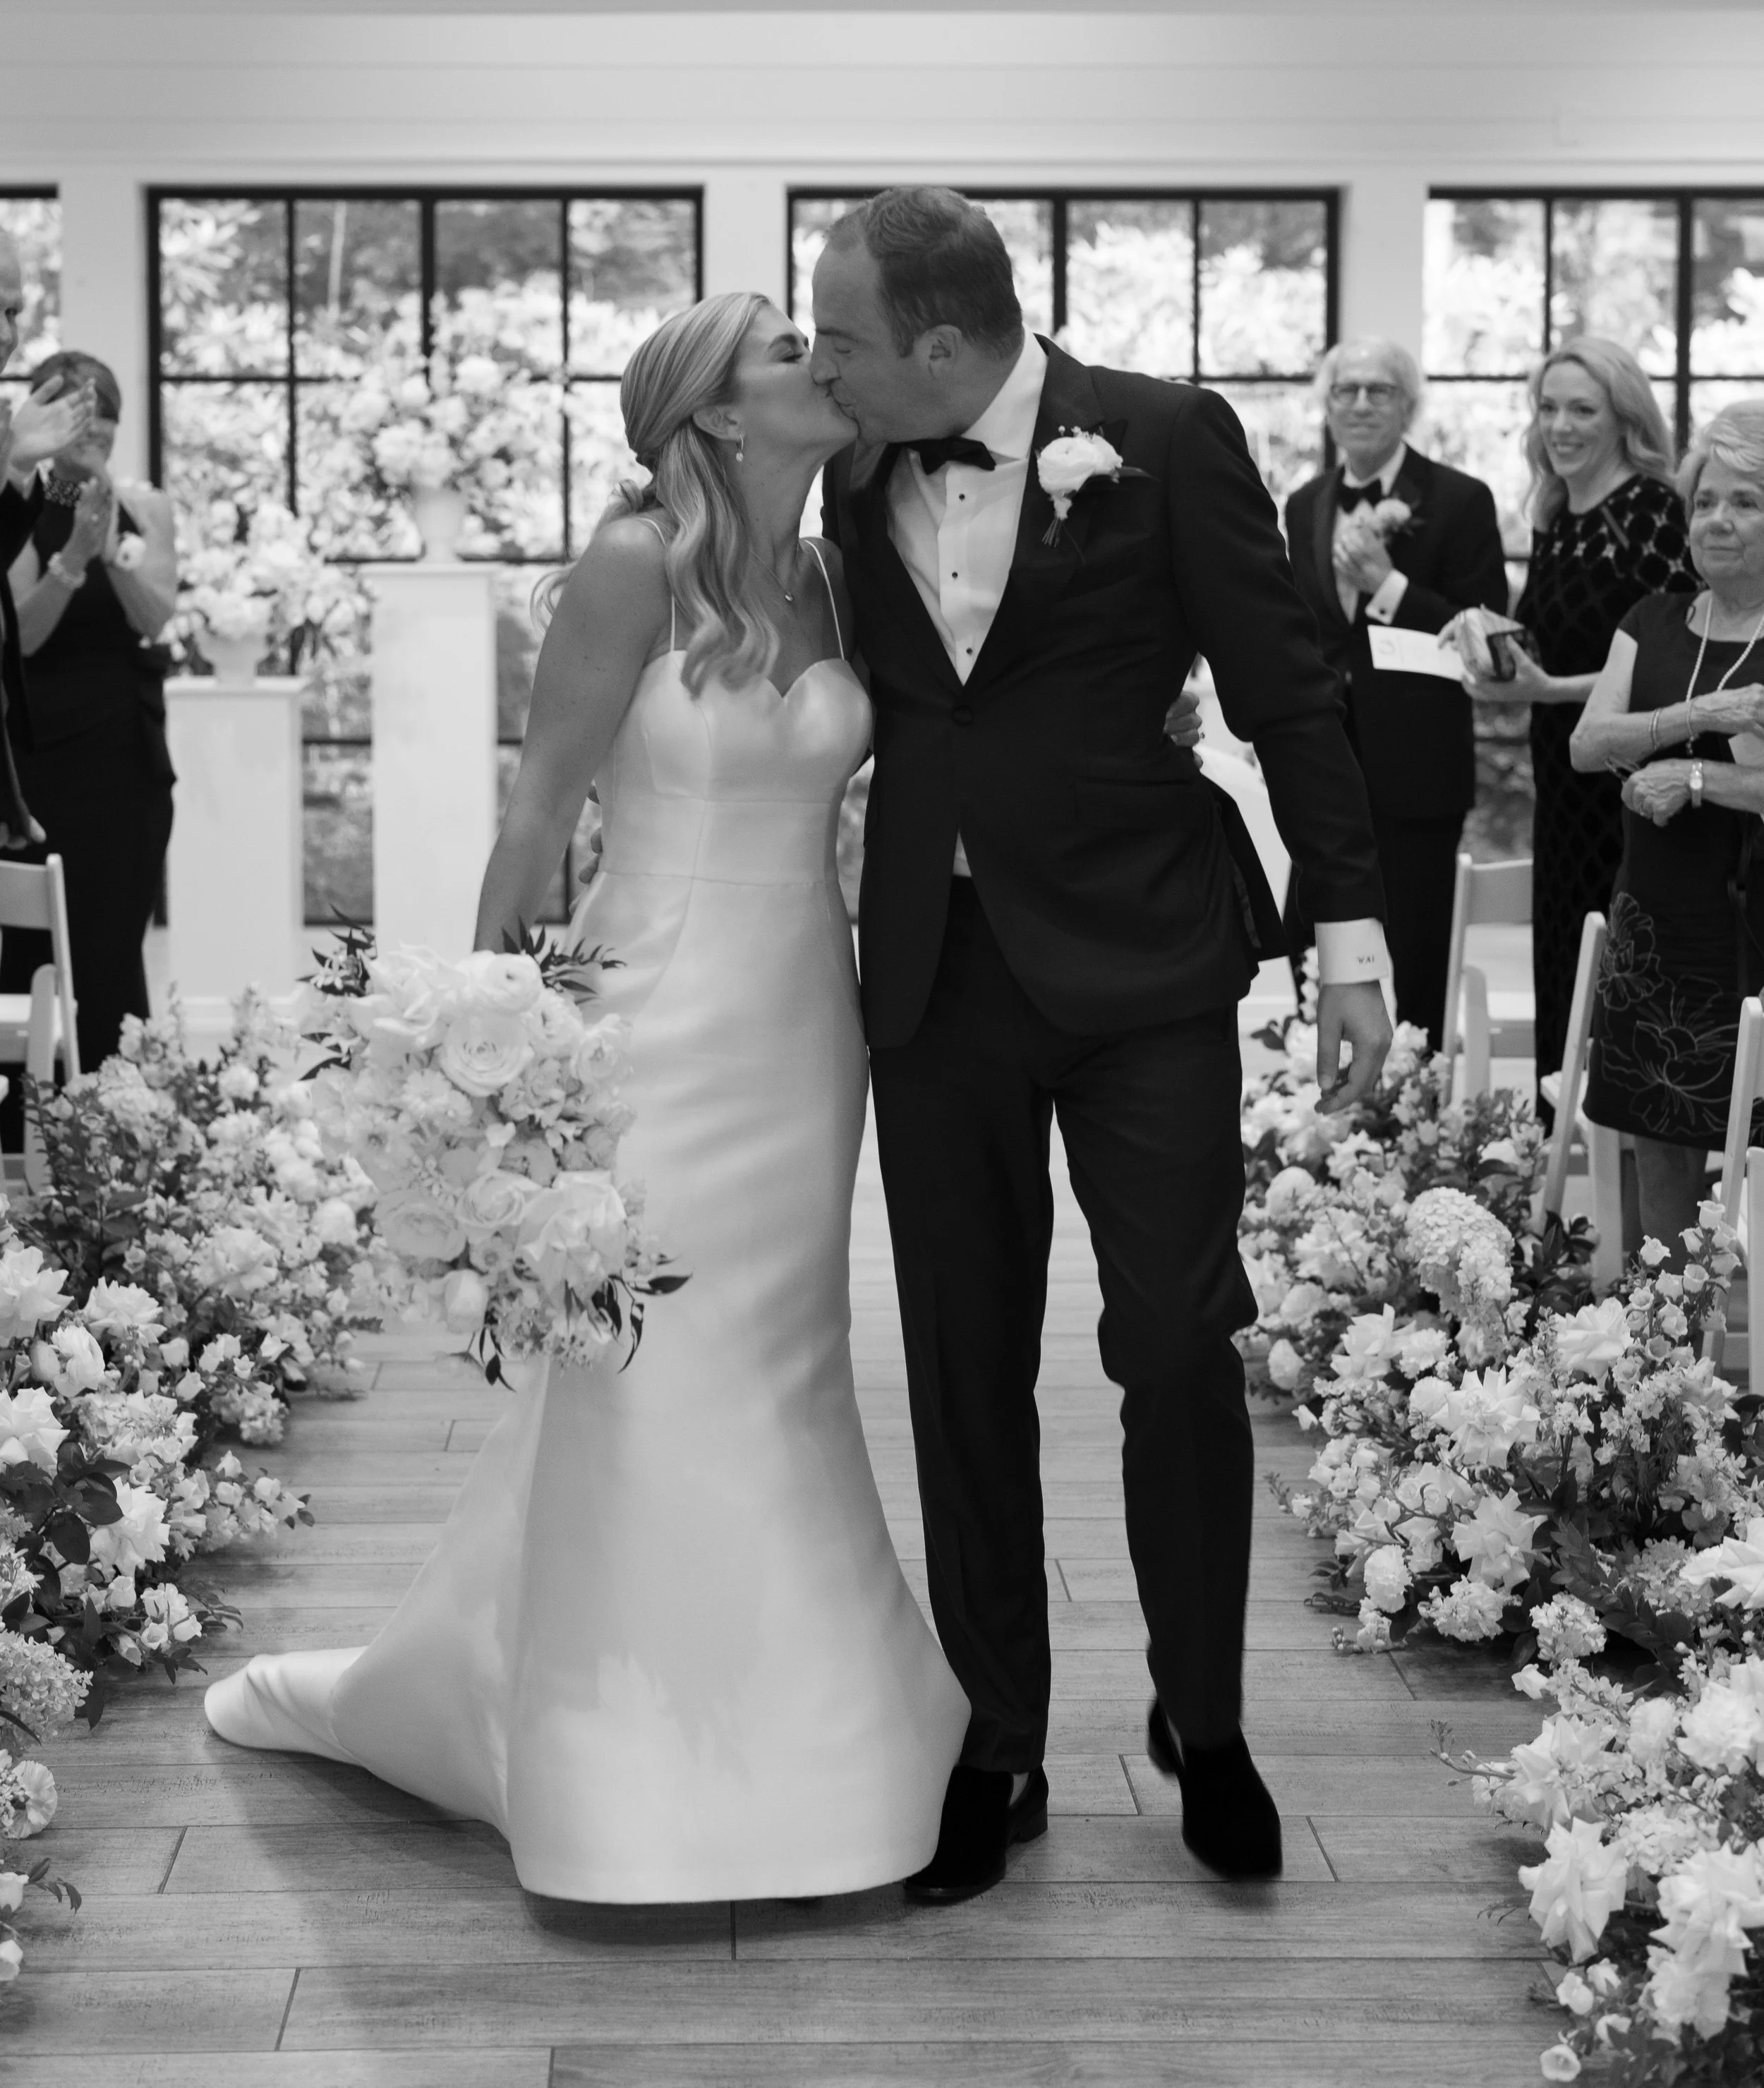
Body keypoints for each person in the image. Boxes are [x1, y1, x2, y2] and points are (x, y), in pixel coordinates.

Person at [207, 290, 969, 1902]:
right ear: (712, 413)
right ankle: (610, 1756)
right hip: (652, 1018)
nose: (818, 361)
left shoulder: (837, 568)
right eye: (783, 350)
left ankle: (812, 1741)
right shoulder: (634, 562)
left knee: (787, 1361)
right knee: (642, 1366)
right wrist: (496, 1040)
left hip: (802, 1028)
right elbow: (540, 803)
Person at [812, 188, 1391, 1900]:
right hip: (938, 974)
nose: (823, 366)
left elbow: (1289, 691)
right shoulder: (855, 468)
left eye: (844, 337)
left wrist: (1349, 934)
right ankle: (997, 1744)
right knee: (962, 1360)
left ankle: (1203, 1723)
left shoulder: (1160, 435)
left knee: (1174, 1340)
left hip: (1147, 962)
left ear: (940, 341)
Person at [1466, 337, 1696, 1099]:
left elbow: (1672, 665)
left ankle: (1623, 1182)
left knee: (1620, 980)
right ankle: (1559, 1174)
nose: (1559, 425)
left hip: (1631, 787)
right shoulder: (1558, 511)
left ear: (1623, 418)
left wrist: (1548, 688)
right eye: (1548, 407)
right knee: (1564, 965)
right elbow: (1557, 638)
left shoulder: (1655, 512)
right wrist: (1491, 648)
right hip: (1562, 785)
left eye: (1581, 409)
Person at [1569, 401, 1764, 1253]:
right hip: (1652, 926)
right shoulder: (1649, 618)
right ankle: (1666, 1361)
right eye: (1706, 501)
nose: (1718, 519)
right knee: (1658, 1140)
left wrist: (1695, 775)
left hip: (1749, 926)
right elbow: (1587, 744)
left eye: (1746, 501)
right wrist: (1703, 714)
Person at [1283, 340, 1509, 1047]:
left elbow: (1487, 636)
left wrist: (1388, 586)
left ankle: (1416, 1125)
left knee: (1414, 961)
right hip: (1323, 766)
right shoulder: (1304, 504)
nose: (1358, 404)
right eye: (1344, 390)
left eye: (1377, 391)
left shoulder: (1460, 500)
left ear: (1408, 405)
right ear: (1326, 405)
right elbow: (1300, 630)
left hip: (1418, 769)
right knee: (1310, 950)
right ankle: (1311, 1118)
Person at [0, 354, 178, 1074]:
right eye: (82, 438)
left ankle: (116, 1127)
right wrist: (71, 557)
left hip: (124, 756)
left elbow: (156, 617)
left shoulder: (148, 506)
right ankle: (25, 1140)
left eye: (106, 437)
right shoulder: (16, 512)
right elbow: (23, 633)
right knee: (34, 947)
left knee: (112, 946)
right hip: (41, 757)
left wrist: (110, 551)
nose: (94, 452)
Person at [0, 234, 99, 853]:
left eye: (13, 314)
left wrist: (16, 467)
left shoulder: (127, 499)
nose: (10, 335)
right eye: (4, 311)